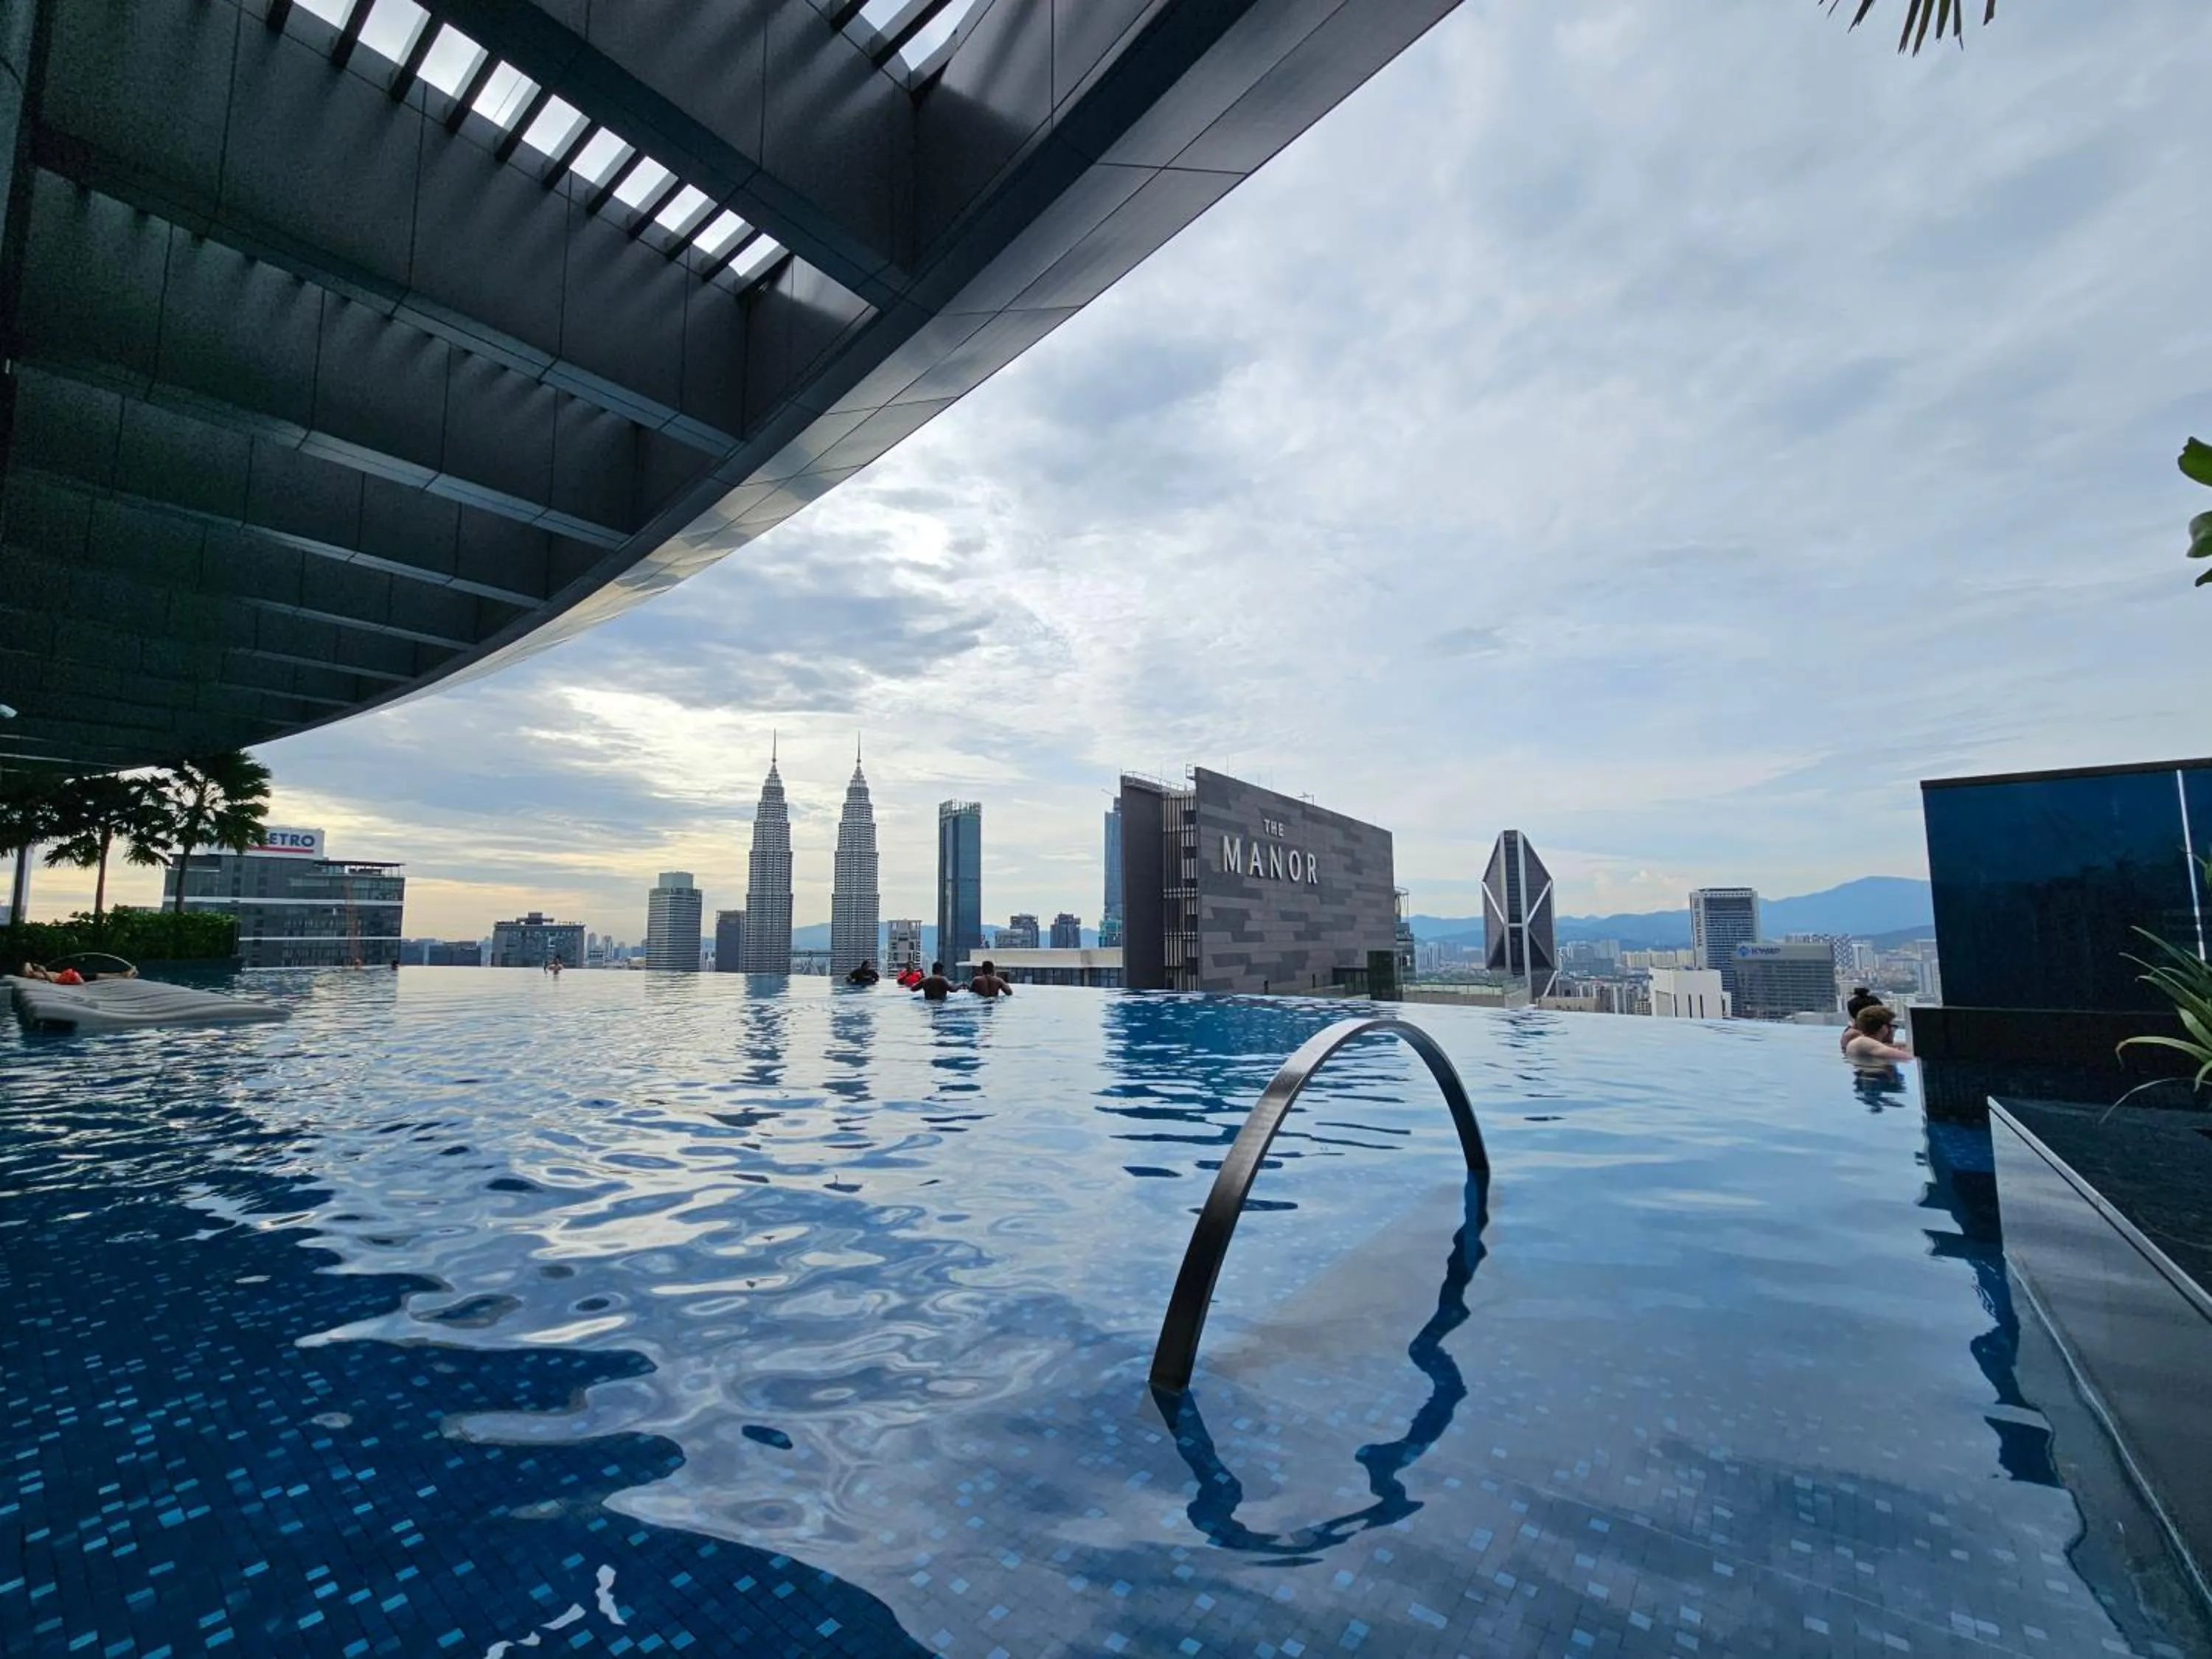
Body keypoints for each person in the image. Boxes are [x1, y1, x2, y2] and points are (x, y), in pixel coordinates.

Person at [1842, 1004, 1910, 1065]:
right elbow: (1907, 1058)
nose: (1894, 1031)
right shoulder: (1862, 1043)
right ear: (1884, 1028)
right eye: (1894, 1026)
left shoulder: (1866, 1044)